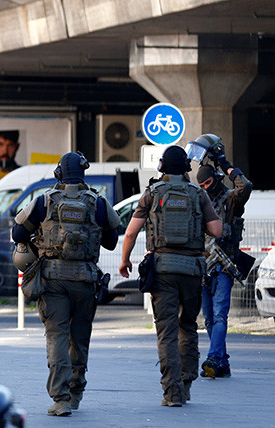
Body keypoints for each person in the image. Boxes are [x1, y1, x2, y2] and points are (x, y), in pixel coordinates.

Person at [10, 152, 119, 416]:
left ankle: (60, 399)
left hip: (53, 280)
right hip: (85, 280)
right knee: (79, 338)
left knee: (57, 337)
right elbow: (111, 241)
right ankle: (76, 393)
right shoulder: (99, 203)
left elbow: (18, 232)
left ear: (59, 173)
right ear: (83, 173)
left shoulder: (45, 200)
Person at [118, 145, 222, 407]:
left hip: (163, 269)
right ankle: (186, 384)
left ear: (162, 167)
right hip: (192, 270)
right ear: (187, 168)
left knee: (166, 331)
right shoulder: (198, 194)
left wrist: (125, 260)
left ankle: (172, 392)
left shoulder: (152, 194)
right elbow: (217, 230)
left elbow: (130, 232)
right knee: (188, 327)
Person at [194, 145, 252, 379]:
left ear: (215, 180)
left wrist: (225, 165)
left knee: (219, 315)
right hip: (203, 266)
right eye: (201, 186)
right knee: (208, 318)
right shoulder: (199, 201)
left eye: (207, 184)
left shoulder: (230, 200)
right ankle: (222, 363)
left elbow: (245, 186)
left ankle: (214, 358)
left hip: (224, 266)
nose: (205, 189)